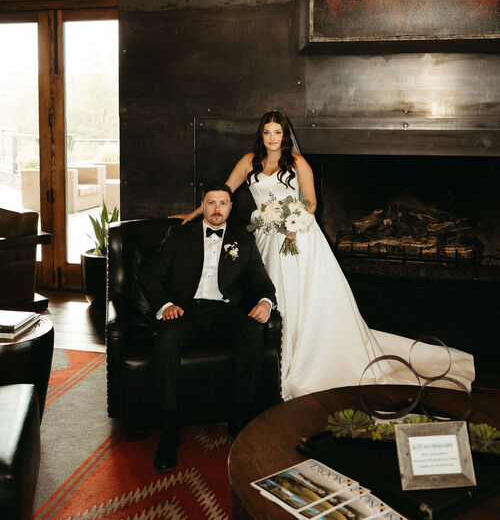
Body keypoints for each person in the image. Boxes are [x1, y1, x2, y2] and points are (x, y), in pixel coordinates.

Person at [172, 112, 475, 401]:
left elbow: (312, 203)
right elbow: (222, 193)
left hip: (297, 236)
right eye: (266, 132)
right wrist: (193, 214)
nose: (272, 137)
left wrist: (291, 220)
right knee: (269, 293)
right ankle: (272, 359)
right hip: (264, 237)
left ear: (285, 135)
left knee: (303, 297)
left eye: (277, 132)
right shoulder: (248, 162)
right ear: (260, 135)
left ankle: (304, 358)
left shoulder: (298, 162)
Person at [140, 181, 276, 472]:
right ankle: (170, 428)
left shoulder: (242, 238)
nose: (216, 209)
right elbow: (149, 276)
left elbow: (260, 278)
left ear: (231, 207)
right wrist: (166, 305)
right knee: (166, 339)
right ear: (202, 205)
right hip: (186, 312)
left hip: (225, 312)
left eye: (223, 203)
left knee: (253, 330)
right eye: (211, 202)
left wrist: (266, 302)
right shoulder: (180, 236)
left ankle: (240, 417)